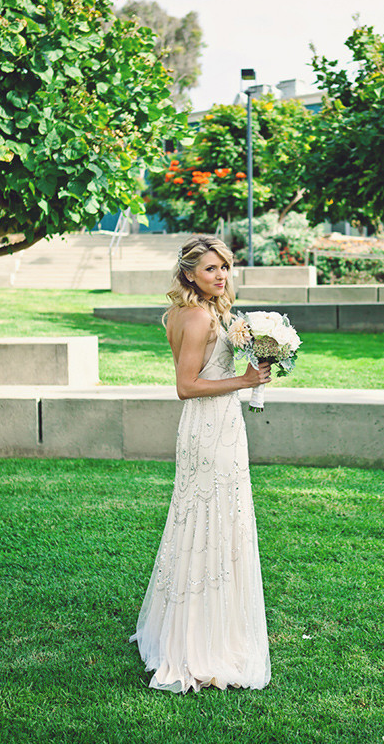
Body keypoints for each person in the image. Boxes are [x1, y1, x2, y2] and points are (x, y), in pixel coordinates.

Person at [129, 234, 272, 693]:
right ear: (189, 273)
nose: (221, 275)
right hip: (210, 429)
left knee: (210, 521)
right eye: (211, 268)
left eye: (225, 266)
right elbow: (186, 386)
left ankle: (203, 622)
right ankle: (201, 640)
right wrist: (244, 380)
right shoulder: (195, 316)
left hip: (216, 425)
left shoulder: (197, 311)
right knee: (210, 520)